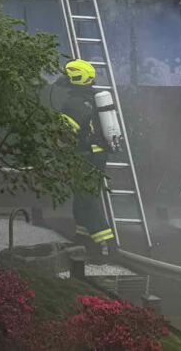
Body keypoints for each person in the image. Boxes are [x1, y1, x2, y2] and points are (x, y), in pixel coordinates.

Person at [59, 59, 114, 259]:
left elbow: (65, 134)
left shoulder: (72, 103)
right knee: (82, 197)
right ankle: (83, 239)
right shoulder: (93, 98)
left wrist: (59, 150)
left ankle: (107, 247)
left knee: (88, 198)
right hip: (98, 153)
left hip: (85, 156)